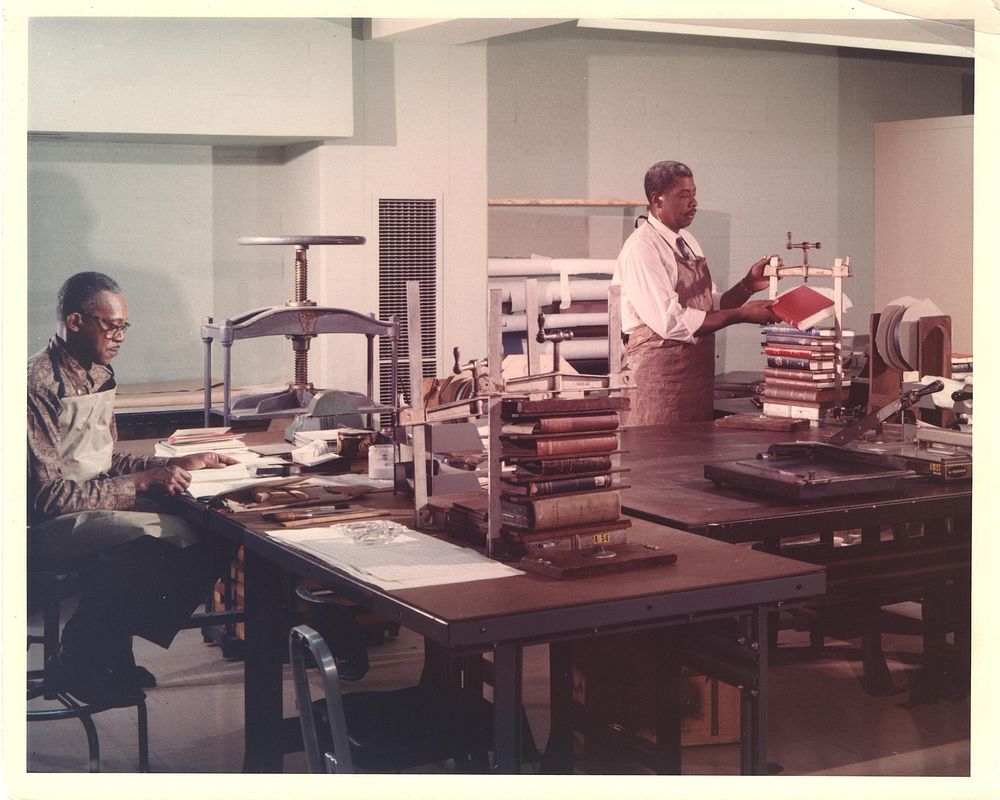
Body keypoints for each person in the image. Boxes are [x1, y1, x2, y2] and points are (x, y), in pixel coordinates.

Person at [27, 271, 239, 706]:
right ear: (75, 321)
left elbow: (101, 462)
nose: (121, 336)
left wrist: (170, 465)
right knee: (159, 540)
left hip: (83, 508)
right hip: (41, 526)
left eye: (124, 326)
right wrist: (140, 483)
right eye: (112, 325)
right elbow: (46, 498)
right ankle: (82, 654)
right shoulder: (38, 383)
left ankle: (106, 644)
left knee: (216, 527)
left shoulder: (99, 372)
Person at [612, 160, 780, 425]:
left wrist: (747, 285)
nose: (694, 202)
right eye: (684, 195)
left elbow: (709, 304)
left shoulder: (687, 242)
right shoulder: (642, 248)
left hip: (694, 383)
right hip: (656, 384)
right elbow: (670, 321)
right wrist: (741, 315)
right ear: (657, 201)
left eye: (694, 193)